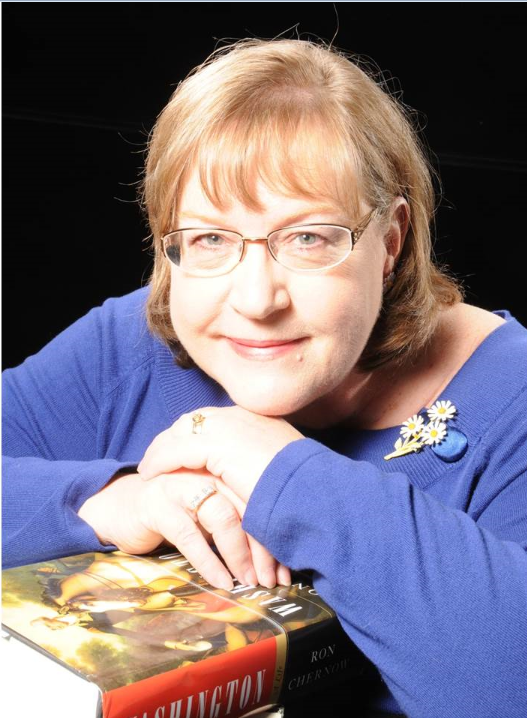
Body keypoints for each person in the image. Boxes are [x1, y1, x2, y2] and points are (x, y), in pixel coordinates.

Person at [3, 39, 526, 718]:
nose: (255, 301)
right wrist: (114, 501)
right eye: (210, 239)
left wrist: (283, 471)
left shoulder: (512, 397)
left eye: (308, 237)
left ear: (391, 242)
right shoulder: (129, 343)